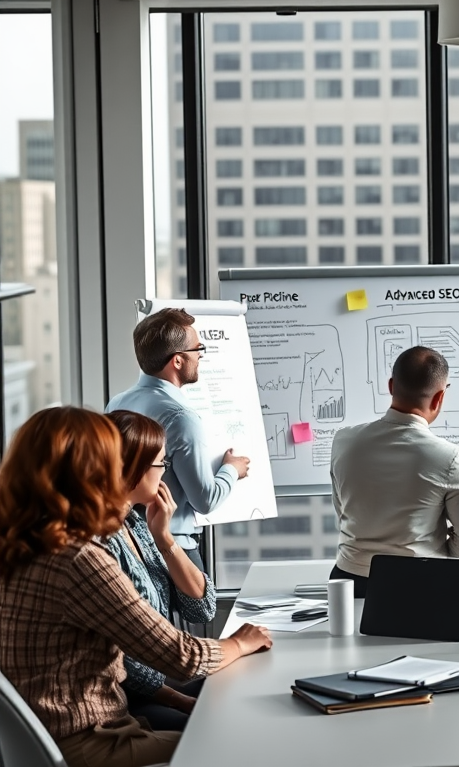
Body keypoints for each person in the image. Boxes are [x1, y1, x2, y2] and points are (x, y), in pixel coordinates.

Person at [0, 406, 272, 767]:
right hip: (92, 741)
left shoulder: (19, 543)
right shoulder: (78, 557)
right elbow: (183, 657)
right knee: (245, 747)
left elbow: (196, 610)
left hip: (53, 738)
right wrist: (239, 642)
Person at [329, 346, 459, 597]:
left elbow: (343, 511)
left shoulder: (344, 440)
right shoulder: (450, 458)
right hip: (419, 584)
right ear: (439, 398)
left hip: (349, 581)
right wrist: (430, 550)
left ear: (391, 386)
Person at [106, 308, 250, 571]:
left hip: (128, 544)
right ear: (178, 361)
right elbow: (205, 500)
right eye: (198, 350)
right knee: (200, 612)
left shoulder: (117, 403)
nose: (201, 356)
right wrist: (232, 469)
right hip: (172, 549)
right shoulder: (180, 417)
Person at [104, 410, 217, 732]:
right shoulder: (100, 542)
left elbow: (202, 607)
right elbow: (121, 657)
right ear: (132, 469)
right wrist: (178, 699)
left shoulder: (136, 524)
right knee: (218, 726)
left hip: (165, 677)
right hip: (128, 698)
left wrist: (164, 538)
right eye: (161, 465)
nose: (164, 475)